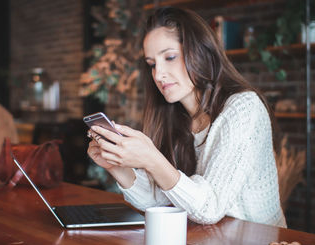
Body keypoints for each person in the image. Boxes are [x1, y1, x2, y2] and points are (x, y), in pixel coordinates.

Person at [87, 7, 286, 227]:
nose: (159, 74)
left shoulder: (244, 108)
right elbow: (159, 201)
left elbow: (210, 208)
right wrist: (118, 167)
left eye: (170, 57)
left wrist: (152, 159)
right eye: (152, 64)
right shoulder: (175, 116)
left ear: (200, 51)